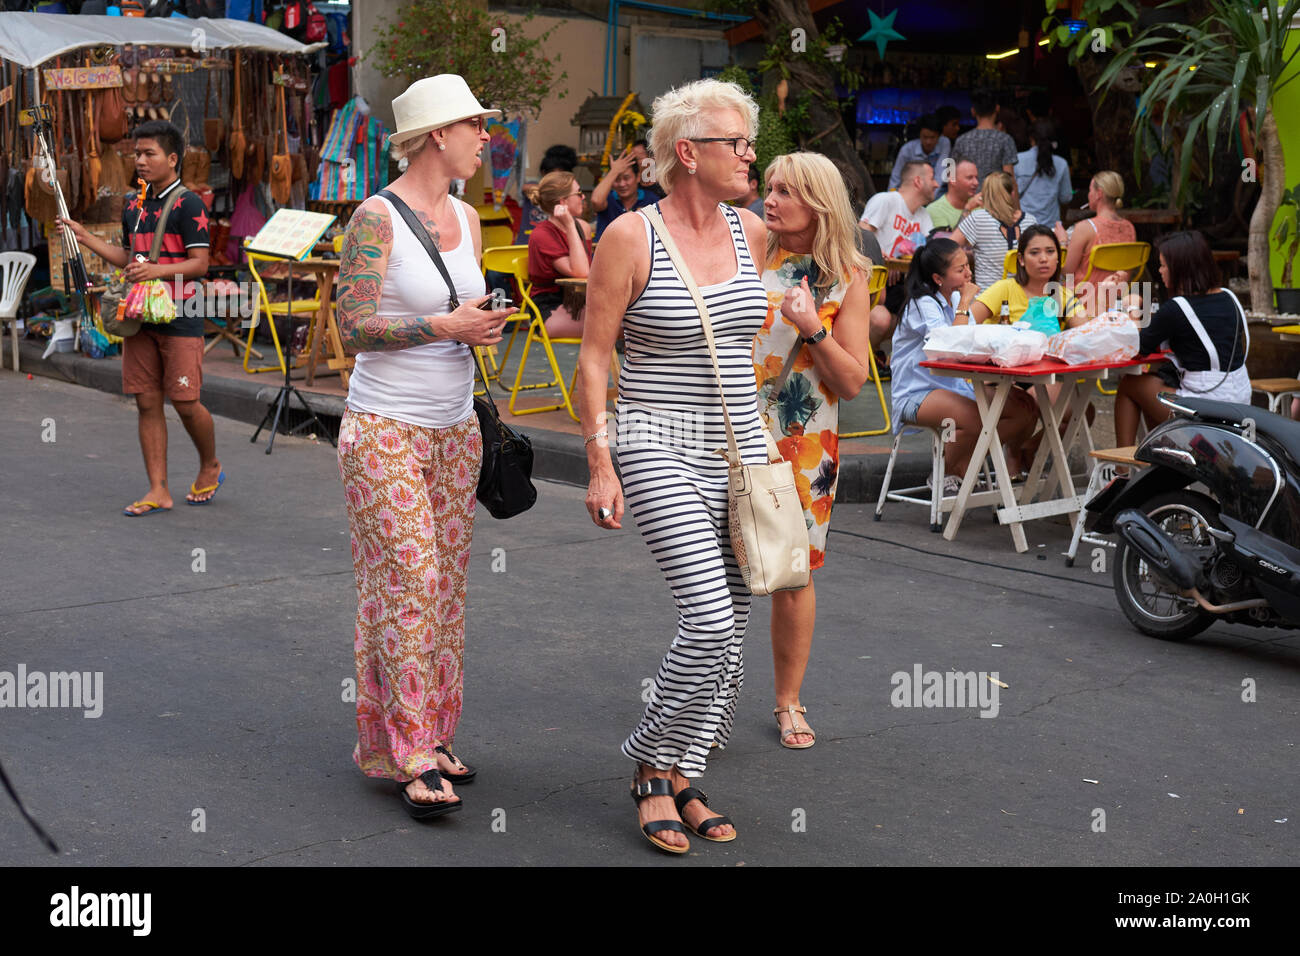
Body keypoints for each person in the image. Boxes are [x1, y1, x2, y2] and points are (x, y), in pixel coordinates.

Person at [577, 78, 765, 854]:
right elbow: (593, 356)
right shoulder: (630, 236)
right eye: (737, 144)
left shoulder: (752, 231)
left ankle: (685, 771)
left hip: (739, 445)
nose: (751, 156)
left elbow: (756, 339)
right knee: (709, 618)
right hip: (654, 439)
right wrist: (600, 458)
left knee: (741, 613)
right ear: (687, 153)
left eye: (751, 143)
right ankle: (651, 765)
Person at [334, 74, 515, 821]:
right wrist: (444, 328)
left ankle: (433, 733)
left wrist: (480, 323)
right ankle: (407, 750)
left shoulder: (470, 219)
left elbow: (460, 308)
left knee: (443, 588)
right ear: (440, 133)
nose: (486, 138)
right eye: (477, 125)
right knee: (408, 579)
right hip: (384, 426)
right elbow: (352, 328)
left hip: (455, 427)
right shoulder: (375, 217)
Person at [755, 151, 873, 750]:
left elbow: (852, 380)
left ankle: (787, 700)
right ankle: (708, 698)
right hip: (730, 432)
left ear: (819, 203)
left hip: (804, 444)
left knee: (792, 577)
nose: (770, 198)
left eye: (786, 192)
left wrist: (813, 328)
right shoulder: (746, 249)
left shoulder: (848, 273)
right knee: (718, 572)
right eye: (769, 186)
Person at [57, 120, 218, 517]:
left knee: (184, 401)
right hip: (138, 315)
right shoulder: (133, 205)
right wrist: (84, 236)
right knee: (147, 402)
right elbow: (130, 257)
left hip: (181, 314)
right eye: (137, 153)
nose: (140, 161)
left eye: (149, 154)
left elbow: (200, 265)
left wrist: (157, 271)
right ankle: (158, 490)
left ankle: (210, 463)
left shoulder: (190, 204)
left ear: (173, 159)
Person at [890, 238, 1040, 485]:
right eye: (960, 270)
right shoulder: (923, 303)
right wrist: (963, 303)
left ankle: (966, 461)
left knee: (1024, 409)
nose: (969, 273)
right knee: (978, 419)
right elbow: (952, 345)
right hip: (916, 393)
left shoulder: (953, 299)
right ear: (938, 278)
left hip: (954, 387)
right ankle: (945, 471)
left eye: (968, 266)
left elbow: (971, 342)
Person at [1114, 231, 1250, 447]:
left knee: (1130, 385)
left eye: (1163, 265)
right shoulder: (1229, 297)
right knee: (1157, 383)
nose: (1159, 271)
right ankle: (1161, 460)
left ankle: (1120, 471)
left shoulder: (1177, 309)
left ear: (1180, 268)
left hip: (1206, 405)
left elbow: (1135, 348)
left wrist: (1132, 305)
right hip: (1240, 400)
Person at [863, 160, 936, 368]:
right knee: (880, 320)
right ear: (918, 181)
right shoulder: (886, 200)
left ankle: (885, 359)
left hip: (902, 286)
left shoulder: (923, 215)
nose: (938, 184)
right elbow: (860, 236)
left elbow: (926, 255)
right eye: (933, 178)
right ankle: (862, 357)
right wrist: (883, 259)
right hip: (875, 288)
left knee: (921, 318)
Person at [970, 225, 1083, 333]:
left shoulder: (1063, 295)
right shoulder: (1005, 289)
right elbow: (966, 325)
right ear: (1021, 259)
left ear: (1058, 257)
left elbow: (1087, 334)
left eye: (1050, 251)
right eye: (1034, 253)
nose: (1043, 259)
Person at [526, 170, 592, 338]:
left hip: (581, 301)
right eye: (578, 193)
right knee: (615, 327)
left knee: (632, 320)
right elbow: (581, 272)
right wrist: (569, 225)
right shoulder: (542, 234)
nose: (583, 197)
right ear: (563, 202)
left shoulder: (583, 226)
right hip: (550, 308)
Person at [1054, 170, 1136, 300]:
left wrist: (1063, 242)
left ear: (1099, 194)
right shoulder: (1129, 228)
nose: (1089, 195)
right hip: (1116, 300)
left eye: (1090, 190)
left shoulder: (1084, 228)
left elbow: (1067, 271)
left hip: (1084, 302)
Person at [954, 171, 1037, 290]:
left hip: (987, 302)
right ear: (1013, 194)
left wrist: (967, 208)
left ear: (985, 195)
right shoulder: (1030, 221)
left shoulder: (978, 218)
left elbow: (946, 248)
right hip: (1023, 301)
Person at [951, 89, 1018, 185]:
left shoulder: (961, 141)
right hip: (996, 198)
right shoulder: (1005, 140)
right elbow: (1009, 179)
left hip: (969, 199)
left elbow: (952, 174)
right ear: (997, 108)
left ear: (973, 111)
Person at [1015, 119, 1072, 232]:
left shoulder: (1017, 160)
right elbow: (1066, 198)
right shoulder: (1061, 164)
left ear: (1031, 139)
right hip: (1051, 228)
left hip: (1023, 227)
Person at [515, 143, 577, 244]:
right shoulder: (533, 185)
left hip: (552, 242)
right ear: (543, 172)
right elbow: (525, 188)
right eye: (554, 176)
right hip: (526, 241)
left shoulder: (567, 194)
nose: (557, 181)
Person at [592, 145, 655, 240]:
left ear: (638, 177)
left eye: (626, 178)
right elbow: (596, 201)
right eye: (617, 179)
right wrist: (614, 171)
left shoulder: (651, 200)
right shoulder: (608, 199)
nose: (622, 184)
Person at [888, 113, 950, 191]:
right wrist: (891, 198)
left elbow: (940, 172)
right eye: (925, 137)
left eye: (932, 137)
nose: (928, 142)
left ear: (939, 136)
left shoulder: (944, 143)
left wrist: (930, 197)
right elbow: (895, 178)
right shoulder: (907, 149)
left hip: (935, 192)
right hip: (912, 192)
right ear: (919, 135)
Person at [926, 157, 982, 232]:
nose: (976, 182)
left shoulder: (979, 204)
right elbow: (950, 242)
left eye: (976, 177)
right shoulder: (935, 210)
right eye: (969, 178)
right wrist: (967, 209)